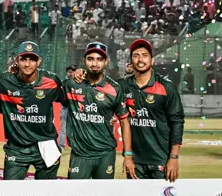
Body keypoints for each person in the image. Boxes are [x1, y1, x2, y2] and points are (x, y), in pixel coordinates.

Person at [0, 42, 66, 180]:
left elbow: (70, 99)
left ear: (39, 61)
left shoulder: (52, 81)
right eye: (23, 59)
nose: (27, 64)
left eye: (32, 59)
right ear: (16, 60)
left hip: (46, 145)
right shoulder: (3, 81)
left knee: (47, 195)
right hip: (17, 149)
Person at [64, 42, 132, 180]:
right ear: (84, 61)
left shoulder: (115, 88)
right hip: (80, 154)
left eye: (99, 59)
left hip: (105, 154)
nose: (95, 63)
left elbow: (124, 121)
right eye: (90, 59)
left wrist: (128, 155)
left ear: (106, 62)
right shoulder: (71, 85)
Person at [120, 39, 184, 181]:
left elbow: (177, 122)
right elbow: (99, 83)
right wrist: (81, 74)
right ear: (131, 61)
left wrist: (173, 157)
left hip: (161, 160)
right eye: (136, 55)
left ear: (152, 60)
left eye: (145, 55)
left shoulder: (166, 87)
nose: (140, 59)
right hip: (134, 162)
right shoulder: (123, 86)